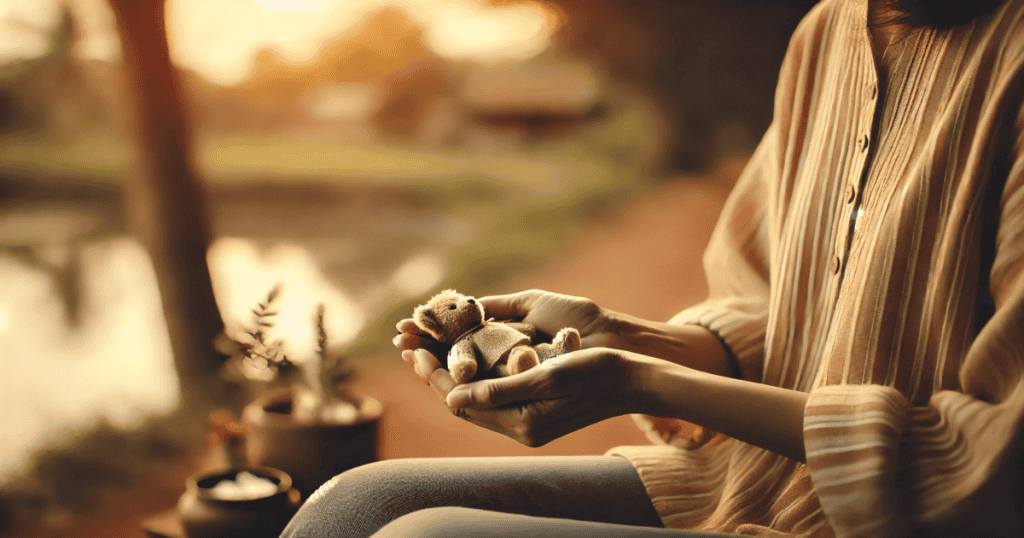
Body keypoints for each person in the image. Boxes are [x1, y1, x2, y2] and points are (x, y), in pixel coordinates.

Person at [281, 0, 1024, 535]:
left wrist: (641, 382)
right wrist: (616, 335)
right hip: (749, 478)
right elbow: (771, 319)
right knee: (350, 509)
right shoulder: (825, 33)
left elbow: (996, 465)